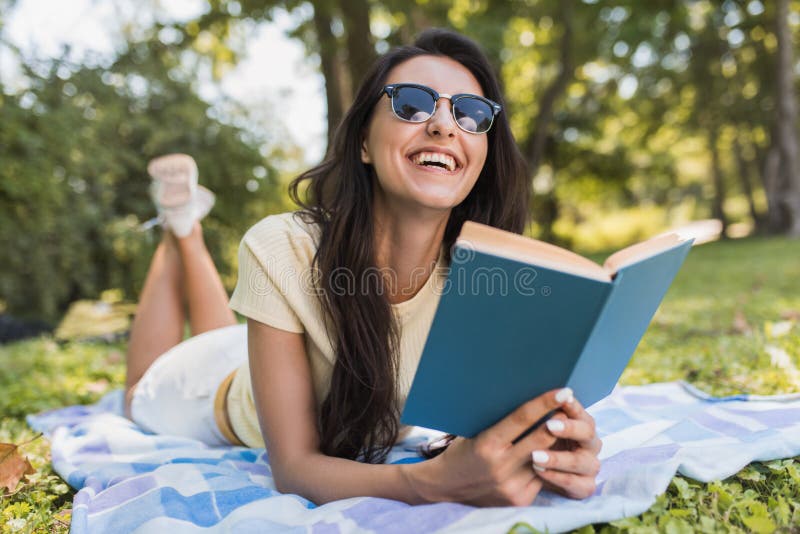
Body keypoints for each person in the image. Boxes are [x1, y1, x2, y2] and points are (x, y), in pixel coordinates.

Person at [124, 28, 601, 508]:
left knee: (220, 329)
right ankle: (179, 227)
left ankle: (183, 222)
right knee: (136, 391)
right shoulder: (283, 248)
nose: (444, 125)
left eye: (471, 113)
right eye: (411, 105)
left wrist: (553, 448)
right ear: (364, 144)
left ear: (482, 155)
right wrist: (430, 483)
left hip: (265, 350)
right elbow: (294, 469)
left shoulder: (492, 276)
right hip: (208, 392)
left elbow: (490, 427)